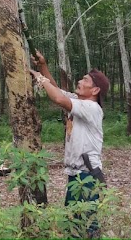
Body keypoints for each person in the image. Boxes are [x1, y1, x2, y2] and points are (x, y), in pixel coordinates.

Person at [29, 51, 109, 238]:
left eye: (85, 80)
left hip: (87, 175)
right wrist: (43, 65)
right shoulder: (79, 102)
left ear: (95, 90)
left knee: (85, 226)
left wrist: (39, 78)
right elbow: (57, 91)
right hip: (76, 174)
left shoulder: (91, 108)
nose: (80, 82)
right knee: (72, 222)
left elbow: (57, 98)